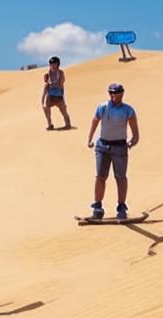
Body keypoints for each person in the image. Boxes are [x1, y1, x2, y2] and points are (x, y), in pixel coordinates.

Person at [85, 83, 139, 220]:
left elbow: (135, 131)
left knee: (120, 177)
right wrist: (90, 139)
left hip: (120, 147)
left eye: (118, 92)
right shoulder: (102, 107)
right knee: (100, 176)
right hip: (103, 146)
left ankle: (121, 207)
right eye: (113, 93)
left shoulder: (128, 110)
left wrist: (133, 141)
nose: (115, 95)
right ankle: (97, 207)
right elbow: (94, 122)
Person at [41, 56, 72, 130]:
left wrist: (53, 84)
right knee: (46, 110)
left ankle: (68, 124)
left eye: (54, 63)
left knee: (64, 111)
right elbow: (46, 85)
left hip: (58, 96)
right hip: (50, 96)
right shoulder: (48, 74)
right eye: (51, 64)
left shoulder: (61, 73)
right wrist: (42, 101)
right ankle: (50, 125)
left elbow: (61, 84)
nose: (52, 65)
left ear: (58, 64)